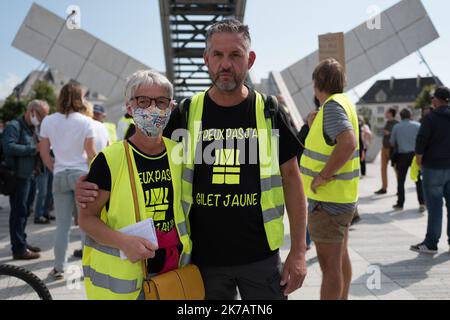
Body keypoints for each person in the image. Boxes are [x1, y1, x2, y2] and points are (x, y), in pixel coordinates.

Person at [77, 19, 308, 300]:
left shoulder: (269, 111)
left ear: (250, 59)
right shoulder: (185, 113)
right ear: (206, 59)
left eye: (235, 55)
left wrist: (298, 252)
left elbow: (293, 180)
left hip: (260, 259)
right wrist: (93, 186)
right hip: (202, 262)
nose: (226, 64)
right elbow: (142, 160)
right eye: (217, 55)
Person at [79, 70, 191, 300]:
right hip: (128, 279)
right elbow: (86, 218)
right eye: (143, 101)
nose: (152, 109)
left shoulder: (181, 155)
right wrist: (123, 242)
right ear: (130, 107)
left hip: (174, 270)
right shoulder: (110, 159)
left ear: (170, 108)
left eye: (161, 102)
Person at [300, 58, 360, 300]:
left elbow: (348, 142)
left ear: (317, 84)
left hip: (327, 201)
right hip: (341, 198)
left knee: (329, 267)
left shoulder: (333, 107)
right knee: (340, 257)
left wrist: (323, 176)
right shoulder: (342, 103)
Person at [39, 83, 96, 280]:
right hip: (81, 174)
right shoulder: (85, 121)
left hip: (60, 174)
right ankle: (87, 268)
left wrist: (54, 168)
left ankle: (59, 268)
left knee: (62, 225)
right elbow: (91, 154)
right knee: (85, 224)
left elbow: (44, 151)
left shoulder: (48, 121)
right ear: (80, 98)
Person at [2, 100, 50, 260]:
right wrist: (33, 149)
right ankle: (18, 248)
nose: (43, 119)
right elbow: (8, 146)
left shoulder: (31, 128)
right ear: (32, 112)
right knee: (18, 212)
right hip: (18, 177)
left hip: (30, 175)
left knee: (25, 211)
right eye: (42, 115)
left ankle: (21, 241)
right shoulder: (14, 126)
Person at [411, 86, 450, 254]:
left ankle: (431, 243)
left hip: (433, 167)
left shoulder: (430, 118)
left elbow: (421, 141)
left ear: (435, 100)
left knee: (435, 207)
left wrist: (419, 162)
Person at [389, 108, 424, 211]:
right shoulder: (418, 125)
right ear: (410, 116)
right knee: (418, 180)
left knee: (401, 181)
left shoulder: (396, 127)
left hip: (402, 156)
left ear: (400, 116)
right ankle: (422, 202)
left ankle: (400, 203)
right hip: (415, 155)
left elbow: (392, 142)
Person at [374, 108, 398, 195]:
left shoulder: (396, 123)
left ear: (391, 113)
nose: (385, 114)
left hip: (392, 149)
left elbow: (397, 135)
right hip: (384, 148)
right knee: (383, 168)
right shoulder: (387, 122)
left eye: (387, 112)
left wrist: (389, 133)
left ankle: (399, 189)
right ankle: (384, 188)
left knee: (396, 169)